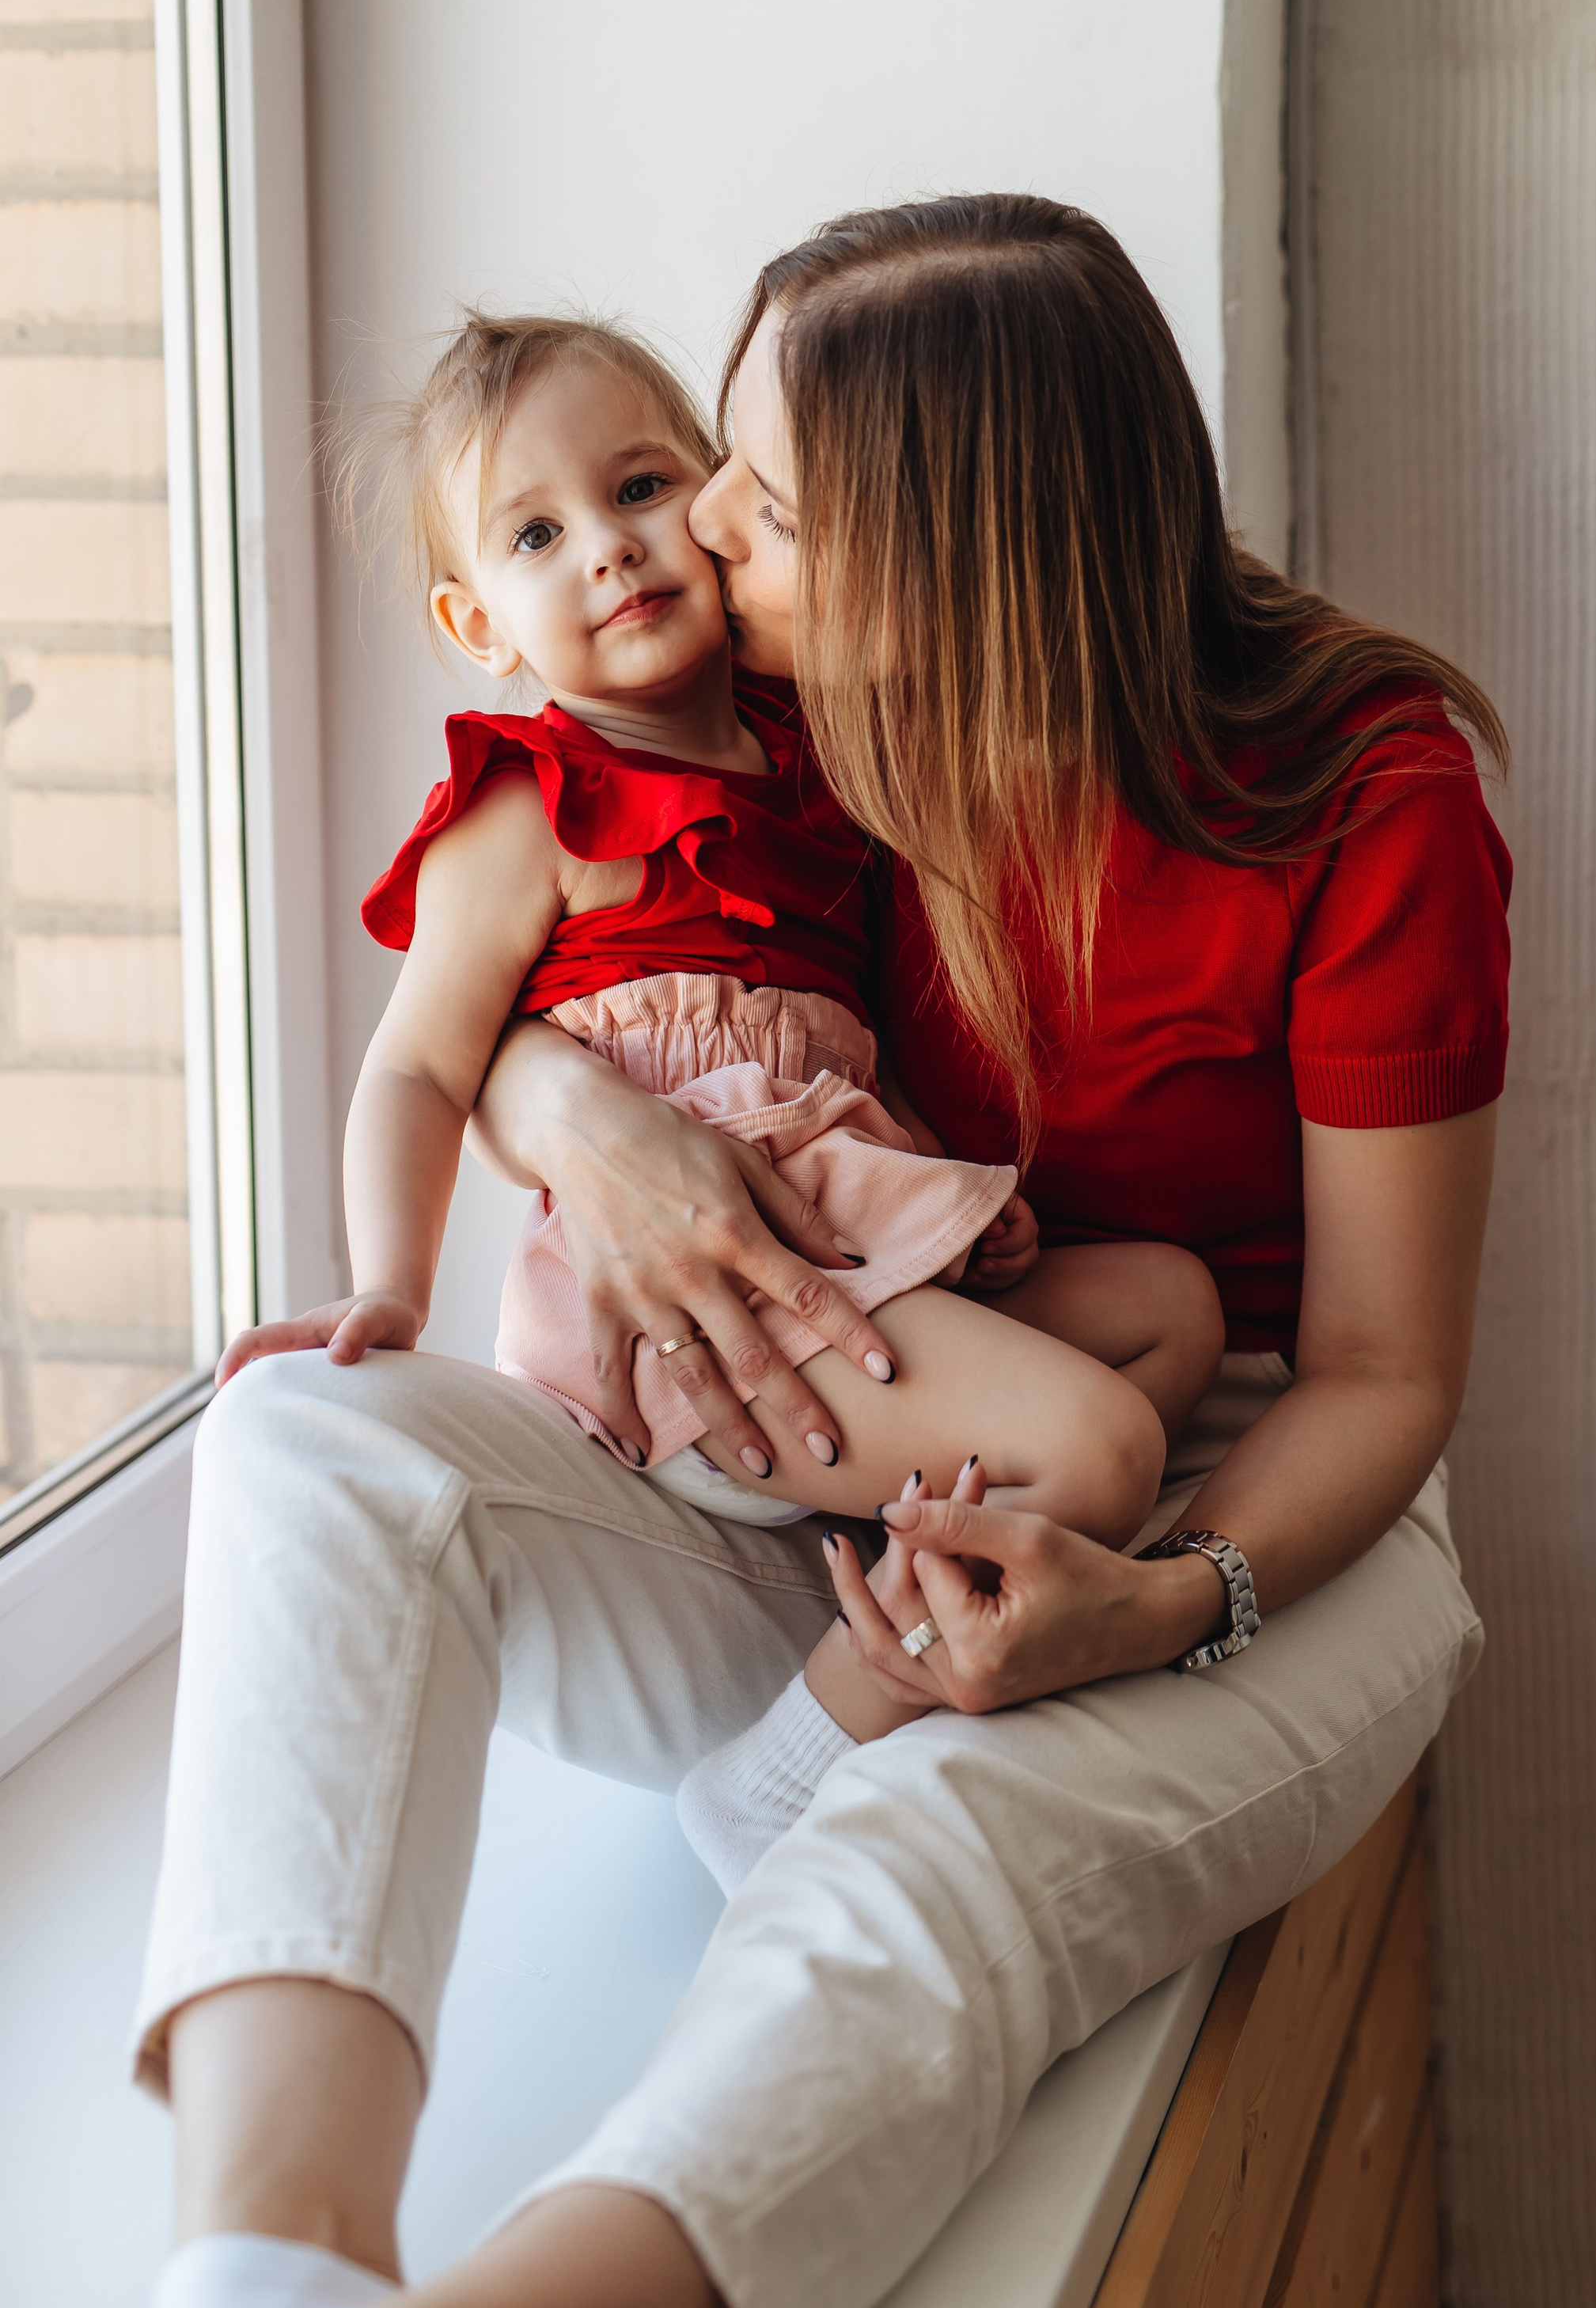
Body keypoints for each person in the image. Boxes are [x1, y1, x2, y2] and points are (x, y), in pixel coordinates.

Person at [119, 196, 1509, 2308]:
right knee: (304, 1441)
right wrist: (576, 1118)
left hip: (1236, 1487)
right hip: (800, 1446)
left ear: (946, 554)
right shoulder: (788, 716)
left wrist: (1156, 1605)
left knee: (929, 1849)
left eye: (749, 495)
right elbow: (542, 965)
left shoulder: (1362, 797)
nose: (702, 542)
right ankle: (254, 2285)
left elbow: (1384, 1366)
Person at [218, 309, 1224, 1877]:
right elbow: (423, 1061)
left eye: (637, 487)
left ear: (716, 496)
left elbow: (837, 1043)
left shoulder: (812, 751)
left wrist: (946, 1214)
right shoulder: (529, 801)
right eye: (537, 533)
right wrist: (390, 1288)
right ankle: (806, 1745)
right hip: (699, 1326)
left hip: (839, 1240)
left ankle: (917, 1547)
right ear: (478, 622)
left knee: (1173, 1309)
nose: (609, 550)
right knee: (1101, 1454)